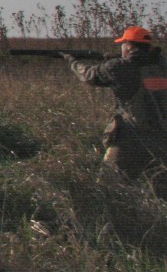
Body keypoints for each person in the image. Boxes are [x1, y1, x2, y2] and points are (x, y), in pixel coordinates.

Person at [62, 26, 167, 182]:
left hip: (131, 138)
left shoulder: (119, 67)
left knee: (108, 185)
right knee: (160, 189)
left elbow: (89, 75)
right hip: (162, 140)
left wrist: (72, 61)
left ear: (129, 46)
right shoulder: (162, 65)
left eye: (123, 44)